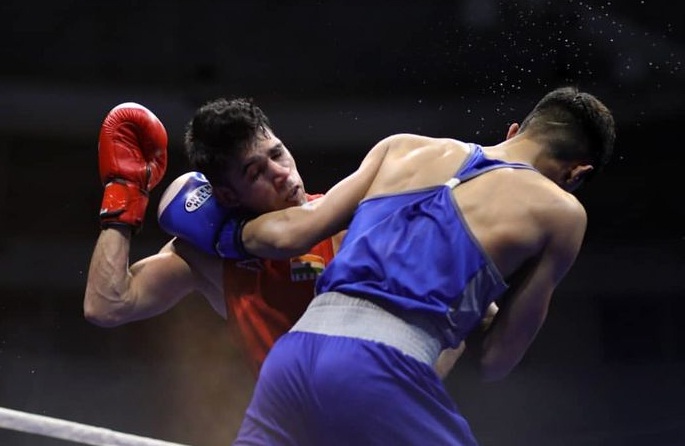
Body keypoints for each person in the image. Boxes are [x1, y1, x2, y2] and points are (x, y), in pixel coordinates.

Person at [211, 86, 615, 445]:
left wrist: (216, 231)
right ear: (578, 174)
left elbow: (295, 231)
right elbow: (495, 360)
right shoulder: (563, 213)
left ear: (514, 132)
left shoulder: (401, 147)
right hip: (378, 370)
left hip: (291, 359)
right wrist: (474, 304)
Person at [83, 97, 341, 375]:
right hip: (293, 413)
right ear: (227, 195)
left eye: (277, 154)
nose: (281, 173)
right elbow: (107, 305)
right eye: (256, 173)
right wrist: (124, 193)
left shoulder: (341, 221)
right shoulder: (211, 255)